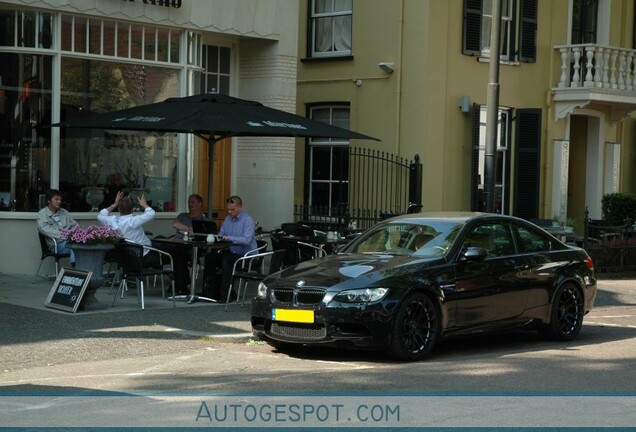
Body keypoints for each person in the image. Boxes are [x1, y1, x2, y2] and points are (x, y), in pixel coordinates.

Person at [203, 195, 257, 301]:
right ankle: (208, 290)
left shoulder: (248, 220)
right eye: (228, 209)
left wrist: (229, 238)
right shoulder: (228, 219)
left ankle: (225, 295)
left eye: (232, 209)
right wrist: (217, 236)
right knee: (210, 257)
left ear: (240, 208)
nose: (229, 212)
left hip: (248, 256)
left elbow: (247, 240)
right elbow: (222, 233)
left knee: (227, 260)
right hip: (233, 253)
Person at [97, 191, 159, 265]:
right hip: (142, 255)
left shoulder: (111, 220)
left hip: (125, 255)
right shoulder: (132, 221)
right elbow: (151, 213)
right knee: (167, 247)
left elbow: (100, 215)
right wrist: (144, 205)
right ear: (132, 210)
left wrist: (114, 204)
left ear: (119, 209)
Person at [170, 194, 209, 294]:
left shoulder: (203, 220)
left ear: (200, 204)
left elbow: (201, 233)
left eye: (193, 202)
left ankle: (181, 285)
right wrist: (189, 228)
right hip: (177, 244)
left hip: (192, 247)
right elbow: (175, 224)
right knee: (174, 252)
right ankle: (179, 283)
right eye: (189, 202)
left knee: (180, 254)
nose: (190, 204)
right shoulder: (183, 215)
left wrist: (182, 228)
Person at [36, 189, 79, 265]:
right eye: (56, 199)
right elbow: (44, 229)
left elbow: (75, 226)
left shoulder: (64, 212)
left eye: (60, 199)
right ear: (49, 201)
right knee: (76, 247)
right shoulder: (42, 214)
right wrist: (66, 235)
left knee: (84, 245)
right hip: (55, 245)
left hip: (69, 242)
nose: (59, 201)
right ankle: (76, 270)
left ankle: (81, 271)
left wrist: (77, 234)